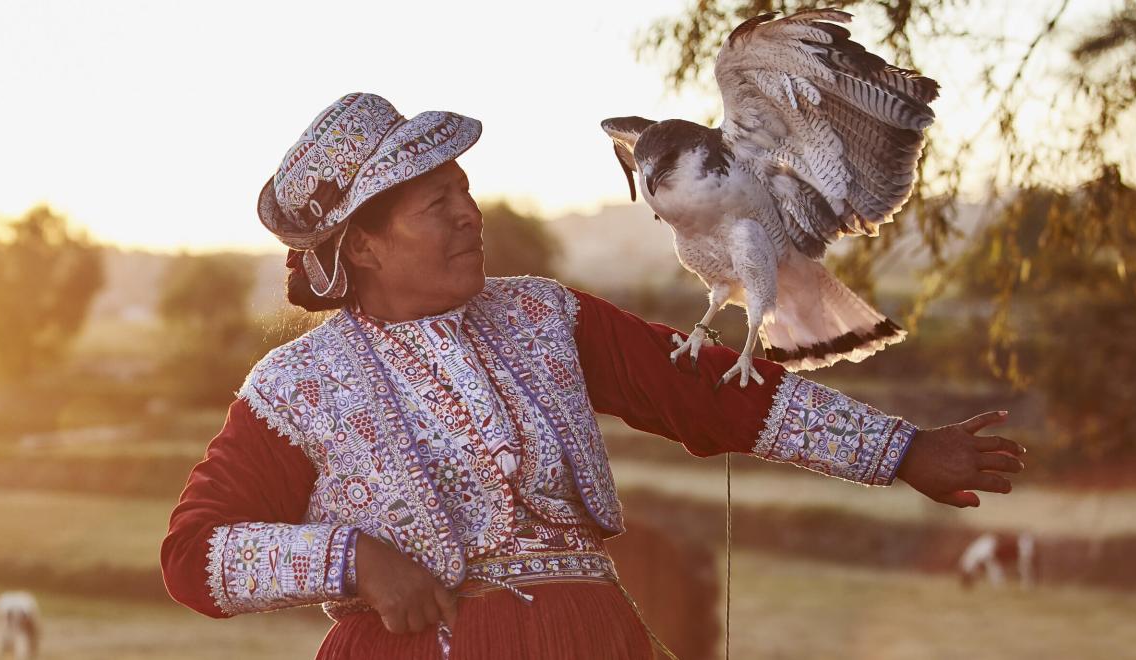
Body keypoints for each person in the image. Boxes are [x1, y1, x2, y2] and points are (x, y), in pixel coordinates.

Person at [159, 92, 1026, 659]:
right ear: (366, 247)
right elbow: (193, 557)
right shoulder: (298, 386)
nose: (471, 215)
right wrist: (355, 561)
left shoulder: (545, 317)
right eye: (438, 205)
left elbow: (707, 391)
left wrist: (901, 450)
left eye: (466, 191)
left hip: (590, 639)